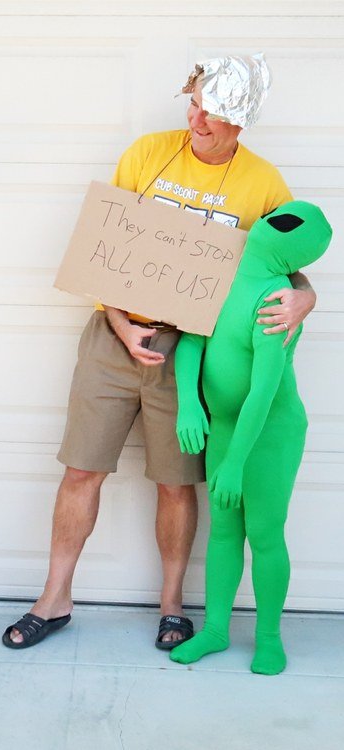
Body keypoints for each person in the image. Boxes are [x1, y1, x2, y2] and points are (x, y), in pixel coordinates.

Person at [3, 54, 317, 650]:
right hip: (114, 336)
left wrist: (308, 298)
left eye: (213, 108)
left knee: (176, 484)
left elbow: (287, 266)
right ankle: (54, 598)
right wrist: (120, 325)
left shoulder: (265, 184)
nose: (197, 118)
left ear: (240, 119)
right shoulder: (148, 153)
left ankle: (172, 608)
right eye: (193, 101)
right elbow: (102, 249)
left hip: (192, 349)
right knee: (81, 469)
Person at [169, 200, 331, 674]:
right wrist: (188, 403)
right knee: (223, 533)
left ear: (295, 252)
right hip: (223, 429)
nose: (268, 224)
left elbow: (264, 389)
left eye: (283, 224)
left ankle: (268, 637)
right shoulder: (222, 276)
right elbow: (192, 340)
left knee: (263, 533)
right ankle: (216, 631)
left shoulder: (278, 300)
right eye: (274, 216)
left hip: (268, 438)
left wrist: (237, 461)